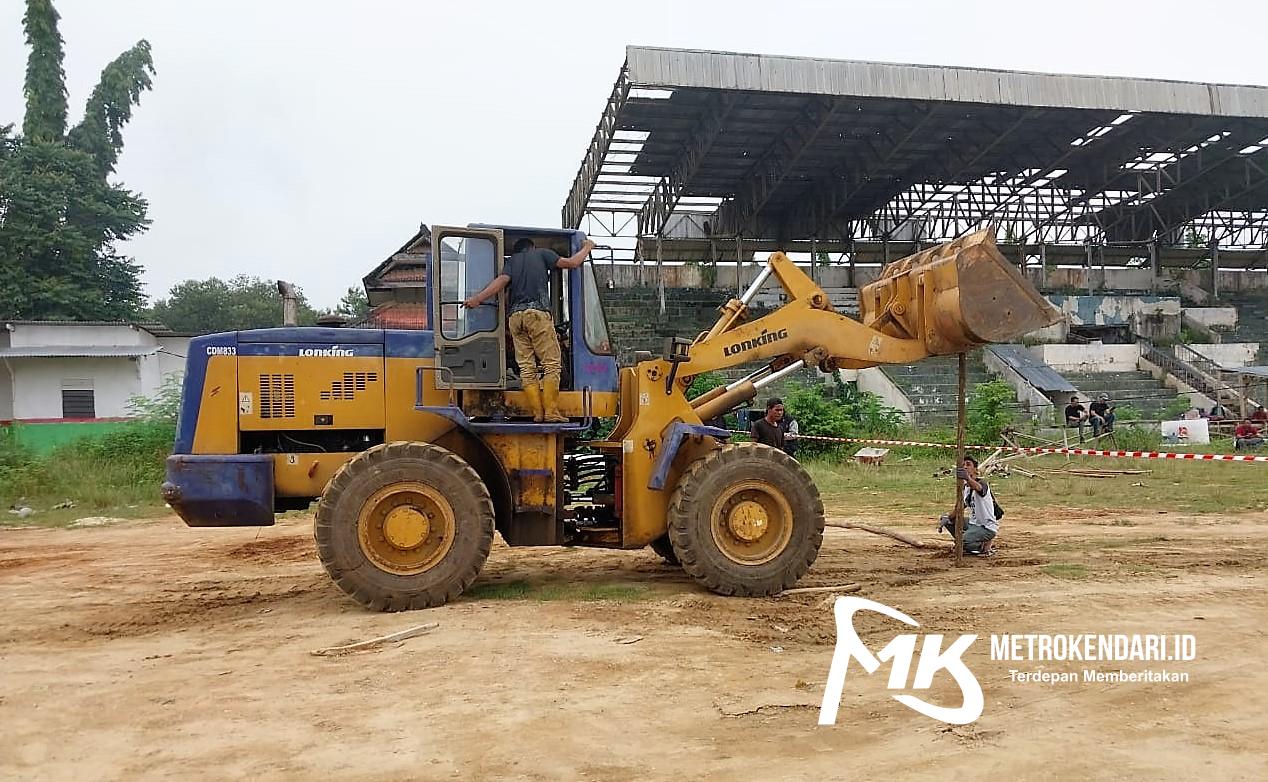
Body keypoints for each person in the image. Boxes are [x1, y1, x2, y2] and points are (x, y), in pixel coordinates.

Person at [464, 236, 595, 423]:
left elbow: (500, 283)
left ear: (517, 250)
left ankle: (538, 413)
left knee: (526, 368)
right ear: (532, 247)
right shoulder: (543, 254)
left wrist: (478, 298)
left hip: (515, 319)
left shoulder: (512, 262)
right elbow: (573, 263)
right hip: (537, 315)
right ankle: (550, 411)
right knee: (552, 365)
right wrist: (587, 247)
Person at [937, 456, 1000, 556]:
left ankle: (982, 546)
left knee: (962, 542)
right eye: (963, 465)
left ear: (975, 469)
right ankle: (967, 542)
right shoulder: (966, 489)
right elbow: (959, 508)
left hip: (986, 527)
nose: (965, 467)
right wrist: (947, 519)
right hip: (973, 523)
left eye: (968, 464)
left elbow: (978, 487)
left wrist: (967, 478)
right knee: (950, 520)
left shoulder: (982, 483)